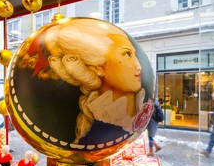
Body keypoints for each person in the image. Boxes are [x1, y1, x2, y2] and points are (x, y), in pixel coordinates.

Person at [17, 18, 153, 146]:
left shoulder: (137, 103)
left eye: (134, 55)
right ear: (96, 67)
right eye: (127, 54)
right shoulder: (97, 131)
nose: (138, 66)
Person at [200, 91, 214, 157]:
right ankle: (208, 151)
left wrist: (213, 113)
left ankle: (210, 151)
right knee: (213, 137)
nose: (213, 98)